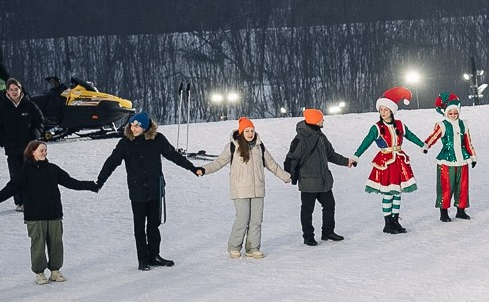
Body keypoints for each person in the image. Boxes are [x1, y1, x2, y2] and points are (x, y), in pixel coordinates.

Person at [0, 138, 102, 283]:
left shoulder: (53, 169)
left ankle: (55, 270)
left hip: (53, 213)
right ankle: (39, 273)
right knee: (38, 245)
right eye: (41, 150)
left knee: (56, 244)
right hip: (35, 216)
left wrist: (92, 185)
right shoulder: (24, 172)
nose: (44, 153)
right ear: (32, 152)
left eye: (45, 150)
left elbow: (71, 182)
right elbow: (11, 189)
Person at [96, 112, 204, 267]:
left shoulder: (157, 139)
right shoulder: (125, 142)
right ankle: (142, 259)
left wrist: (193, 168)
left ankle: (154, 255)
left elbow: (174, 156)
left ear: (145, 127)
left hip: (155, 189)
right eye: (132, 125)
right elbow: (111, 162)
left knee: (154, 225)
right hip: (137, 190)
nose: (134, 128)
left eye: (138, 126)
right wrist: (100, 181)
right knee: (139, 227)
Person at [201, 116, 290, 253]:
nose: (250, 134)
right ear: (241, 132)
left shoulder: (260, 147)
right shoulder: (233, 147)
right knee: (243, 218)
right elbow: (218, 163)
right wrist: (204, 170)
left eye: (252, 131)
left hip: (258, 189)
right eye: (247, 131)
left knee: (256, 220)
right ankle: (234, 247)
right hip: (240, 189)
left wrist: (285, 177)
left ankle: (253, 248)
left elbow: (272, 164)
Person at [283, 109, 353, 243]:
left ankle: (328, 232)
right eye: (321, 118)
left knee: (329, 205)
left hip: (324, 181)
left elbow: (330, 154)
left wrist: (346, 161)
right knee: (307, 210)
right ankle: (308, 237)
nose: (323, 120)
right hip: (308, 182)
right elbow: (291, 158)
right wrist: (289, 174)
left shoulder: (320, 136)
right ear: (314, 120)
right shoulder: (300, 138)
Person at [419, 97, 477, 221]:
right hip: (447, 159)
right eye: (450, 113)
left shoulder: (463, 124)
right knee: (446, 185)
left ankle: (461, 210)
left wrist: (472, 156)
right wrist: (426, 146)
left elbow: (468, 142)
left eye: (456, 113)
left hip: (462, 159)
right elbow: (433, 136)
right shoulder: (443, 125)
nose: (453, 115)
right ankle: (443, 212)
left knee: (462, 185)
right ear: (446, 113)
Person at [0, 77, 42, 200]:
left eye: (16, 89)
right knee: (16, 176)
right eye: (11, 90)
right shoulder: (2, 108)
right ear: (7, 92)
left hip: (28, 148)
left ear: (20, 90)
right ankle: (19, 201)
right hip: (11, 148)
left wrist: (33, 136)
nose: (14, 92)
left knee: (30, 174)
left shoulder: (29, 105)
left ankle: (31, 199)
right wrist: (2, 140)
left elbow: (40, 122)